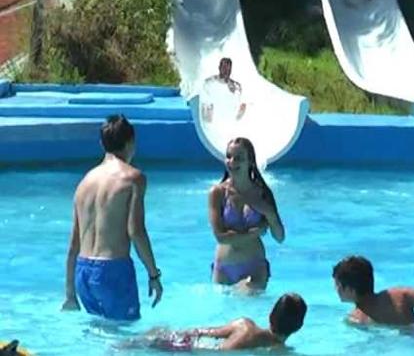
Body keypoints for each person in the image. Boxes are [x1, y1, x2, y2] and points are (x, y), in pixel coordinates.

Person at [63, 114, 163, 321]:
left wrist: (70, 294)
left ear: (102, 144)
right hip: (113, 270)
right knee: (126, 341)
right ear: (131, 143)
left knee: (101, 336)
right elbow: (136, 231)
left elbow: (74, 244)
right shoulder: (133, 178)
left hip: (83, 272)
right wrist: (153, 274)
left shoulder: (84, 182)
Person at [209, 138, 285, 289]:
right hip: (224, 268)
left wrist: (269, 213)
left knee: (248, 302)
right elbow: (221, 237)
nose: (232, 162)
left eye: (239, 158)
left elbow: (279, 237)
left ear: (250, 161)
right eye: (229, 156)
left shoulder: (262, 192)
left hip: (254, 266)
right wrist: (253, 233)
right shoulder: (218, 193)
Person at [132, 293, 306, 352]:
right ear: (299, 327)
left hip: (182, 337)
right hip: (187, 350)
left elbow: (204, 331)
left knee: (135, 342)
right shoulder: (275, 350)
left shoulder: (243, 324)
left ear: (270, 315)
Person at [202, 57, 245, 123]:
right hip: (214, 121)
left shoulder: (236, 86)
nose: (226, 71)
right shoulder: (209, 83)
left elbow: (242, 105)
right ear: (219, 68)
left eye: (228, 69)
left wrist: (237, 119)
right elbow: (204, 104)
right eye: (224, 68)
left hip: (229, 121)